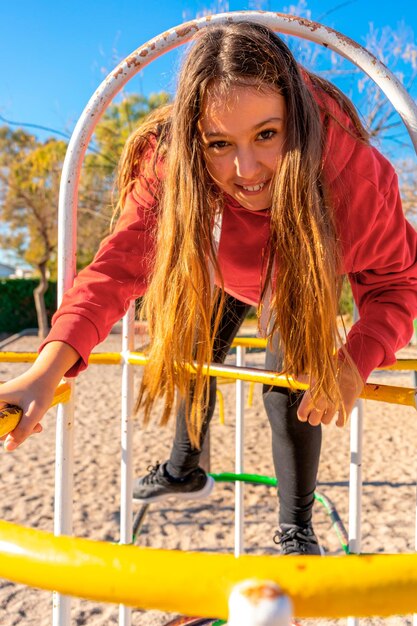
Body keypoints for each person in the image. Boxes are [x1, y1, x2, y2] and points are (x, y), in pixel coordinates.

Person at [1, 22, 417, 556]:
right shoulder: (171, 163)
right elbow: (112, 272)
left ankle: (296, 531)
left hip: (298, 268)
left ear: (298, 120)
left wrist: (354, 360)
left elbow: (399, 282)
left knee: (289, 385)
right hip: (219, 267)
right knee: (189, 347)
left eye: (268, 134)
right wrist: (44, 370)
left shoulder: (351, 176)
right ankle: (183, 466)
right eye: (220, 144)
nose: (247, 171)